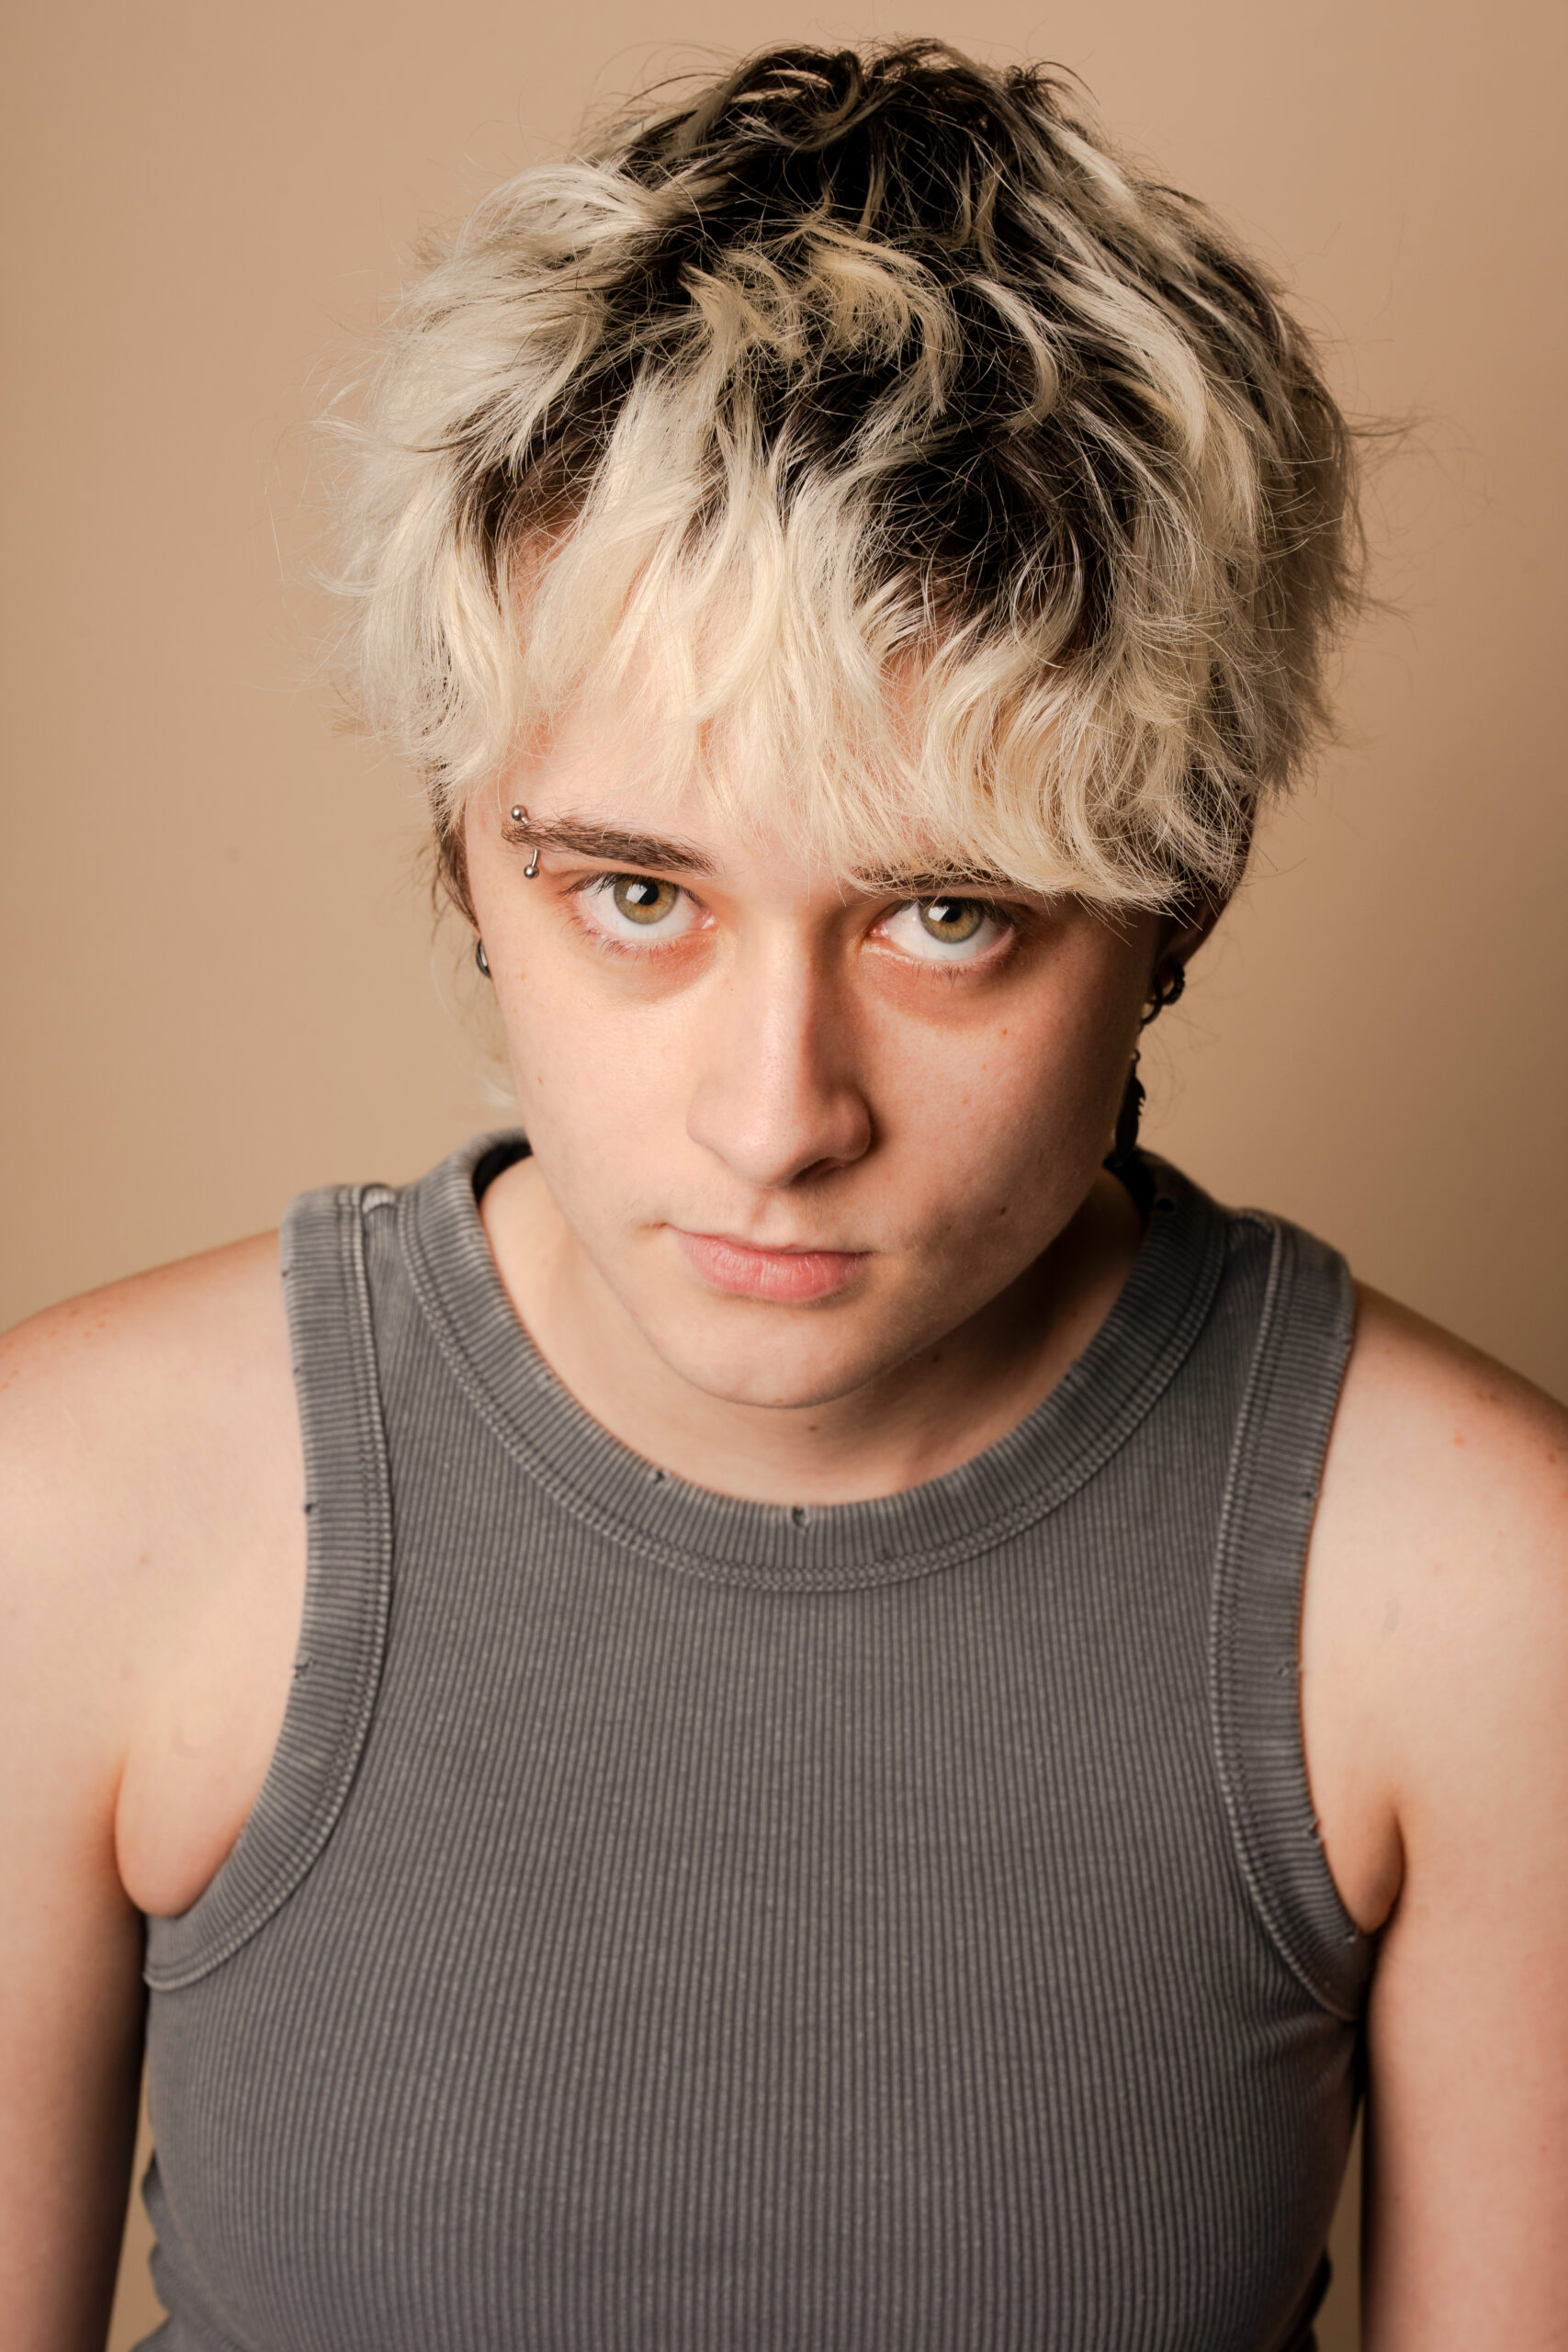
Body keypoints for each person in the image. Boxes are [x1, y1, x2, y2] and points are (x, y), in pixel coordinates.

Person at [2, 38, 1564, 2352]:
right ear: (461, 850)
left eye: (947, 914)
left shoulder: (1472, 1597)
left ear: (1177, 895)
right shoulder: (73, 1516)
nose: (774, 1114)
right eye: (638, 892)